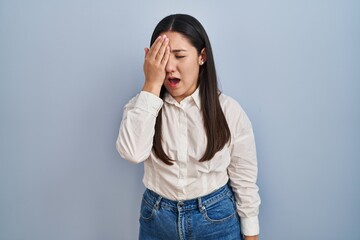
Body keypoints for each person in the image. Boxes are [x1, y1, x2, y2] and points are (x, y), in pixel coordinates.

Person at [116, 14, 260, 240]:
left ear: (202, 56)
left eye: (179, 56)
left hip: (216, 219)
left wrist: (251, 234)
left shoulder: (229, 110)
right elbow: (133, 153)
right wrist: (151, 83)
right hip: (157, 219)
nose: (170, 67)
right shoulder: (141, 107)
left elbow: (244, 177)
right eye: (162, 57)